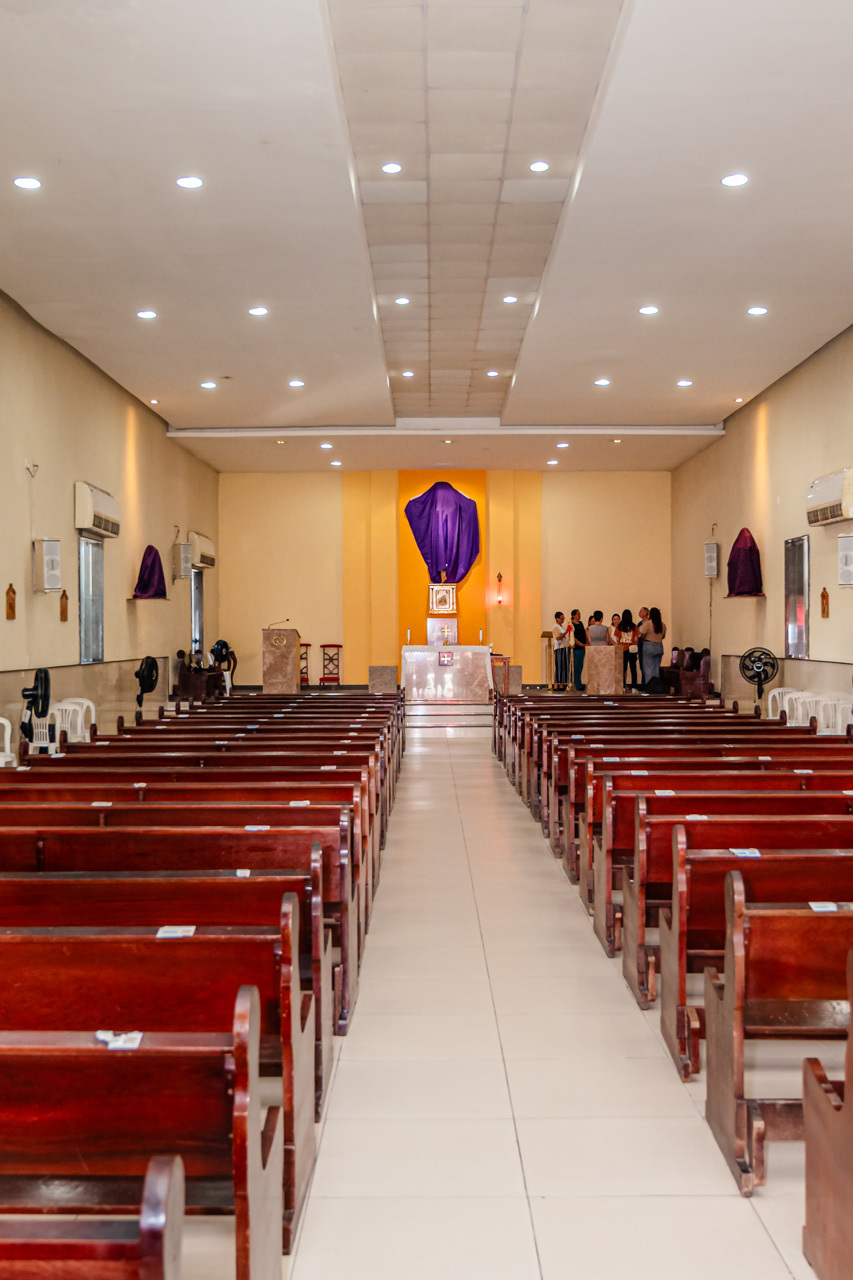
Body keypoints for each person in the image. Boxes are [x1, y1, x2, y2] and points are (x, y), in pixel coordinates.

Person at [639, 606, 667, 683]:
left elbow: (642, 633)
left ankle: (650, 687)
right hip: (659, 646)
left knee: (648, 669)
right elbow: (663, 636)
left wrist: (642, 639)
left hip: (649, 646)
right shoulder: (663, 625)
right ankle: (656, 687)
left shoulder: (648, 623)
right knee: (656, 669)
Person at [616, 608, 639, 688]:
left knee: (623, 669)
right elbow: (636, 639)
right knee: (633, 669)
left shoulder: (619, 627)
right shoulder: (634, 626)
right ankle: (634, 686)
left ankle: (622, 686)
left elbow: (617, 639)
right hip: (632, 650)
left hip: (622, 650)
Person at [552, 611, 569, 690]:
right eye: (561, 618)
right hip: (558, 648)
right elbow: (558, 637)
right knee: (558, 666)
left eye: (563, 618)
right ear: (557, 619)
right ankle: (556, 684)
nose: (562, 620)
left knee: (563, 666)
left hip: (564, 647)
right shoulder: (555, 627)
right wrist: (566, 632)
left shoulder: (562, 627)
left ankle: (561, 684)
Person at [570, 609, 587, 691]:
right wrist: (579, 643)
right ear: (573, 616)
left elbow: (583, 634)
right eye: (578, 614)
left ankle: (579, 683)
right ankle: (576, 683)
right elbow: (572, 636)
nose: (579, 616)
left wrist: (585, 643)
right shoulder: (571, 624)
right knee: (575, 666)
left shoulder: (581, 623)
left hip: (582, 648)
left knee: (580, 666)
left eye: (579, 614)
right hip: (576, 648)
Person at [636, 606, 650, 686]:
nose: (639, 613)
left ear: (645, 613)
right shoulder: (639, 624)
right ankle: (643, 682)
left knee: (648, 664)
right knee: (641, 665)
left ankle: (647, 683)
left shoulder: (650, 623)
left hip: (647, 645)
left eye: (641, 611)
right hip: (640, 645)